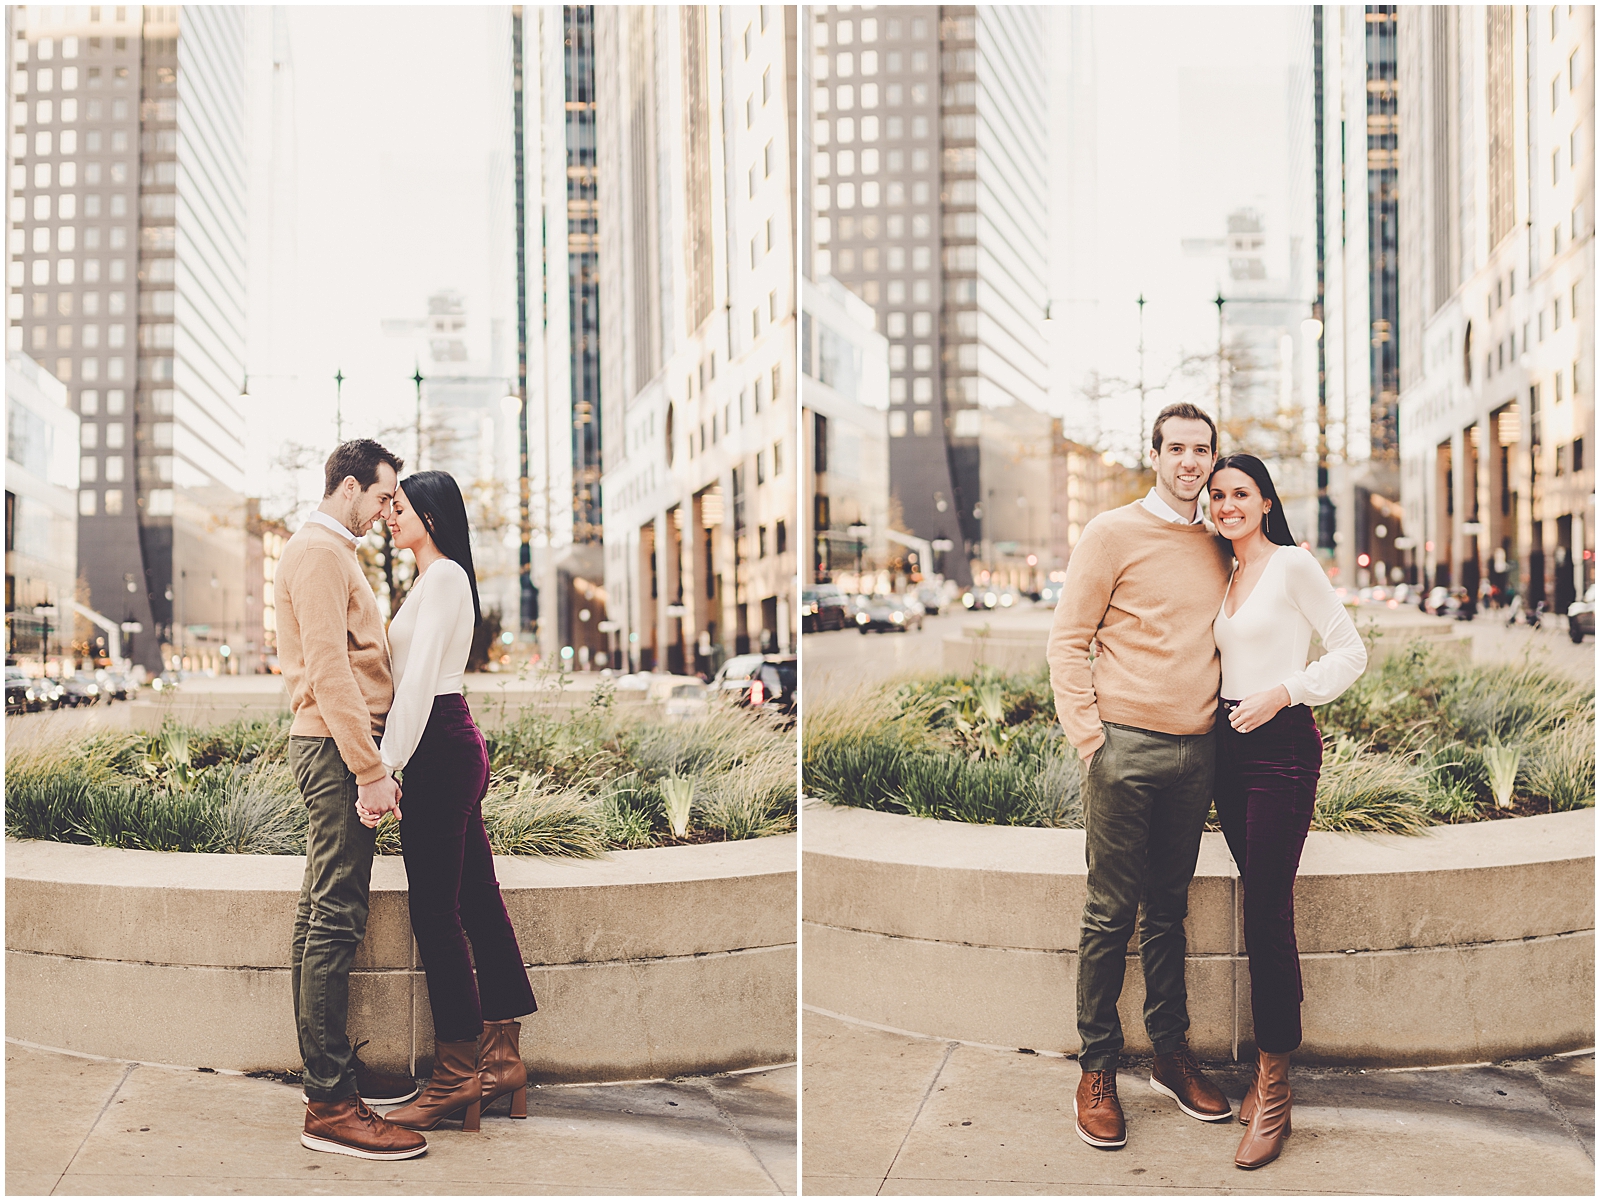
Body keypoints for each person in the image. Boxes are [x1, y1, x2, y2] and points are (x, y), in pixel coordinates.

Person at [1047, 403, 1237, 1151]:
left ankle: (1169, 1052)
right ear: (1153, 454)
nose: (1191, 461)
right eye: (1178, 448)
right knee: (1108, 914)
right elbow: (1068, 638)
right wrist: (1093, 741)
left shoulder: (1222, 540)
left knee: (1168, 911)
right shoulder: (1111, 532)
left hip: (1196, 754)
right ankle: (1096, 1067)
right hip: (1123, 750)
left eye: (1203, 449)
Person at [1208, 453, 1366, 1170]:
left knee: (1268, 910)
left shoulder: (1292, 564)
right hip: (1226, 751)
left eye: (1241, 492)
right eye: (1218, 494)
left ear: (1266, 501)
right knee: (1259, 902)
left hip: (1281, 748)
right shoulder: (1227, 571)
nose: (1227, 503)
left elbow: (1350, 651)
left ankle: (1274, 1084)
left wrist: (1285, 691)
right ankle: (1268, 1070)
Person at [369, 470, 538, 1133]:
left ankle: (455, 1073)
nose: (390, 514)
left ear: (432, 516)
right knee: (477, 900)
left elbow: (415, 687)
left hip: (440, 743)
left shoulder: (441, 579)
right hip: (449, 741)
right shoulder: (434, 578)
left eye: (400, 506)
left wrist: (385, 766)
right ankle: (501, 1062)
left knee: (436, 911)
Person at [277, 439, 428, 1161]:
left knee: (321, 917)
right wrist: (369, 769)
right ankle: (330, 1105)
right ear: (346, 487)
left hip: (337, 749)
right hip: (338, 751)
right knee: (334, 919)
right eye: (381, 494)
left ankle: (328, 1080)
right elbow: (332, 672)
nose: (387, 507)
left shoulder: (333, 552)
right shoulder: (318, 552)